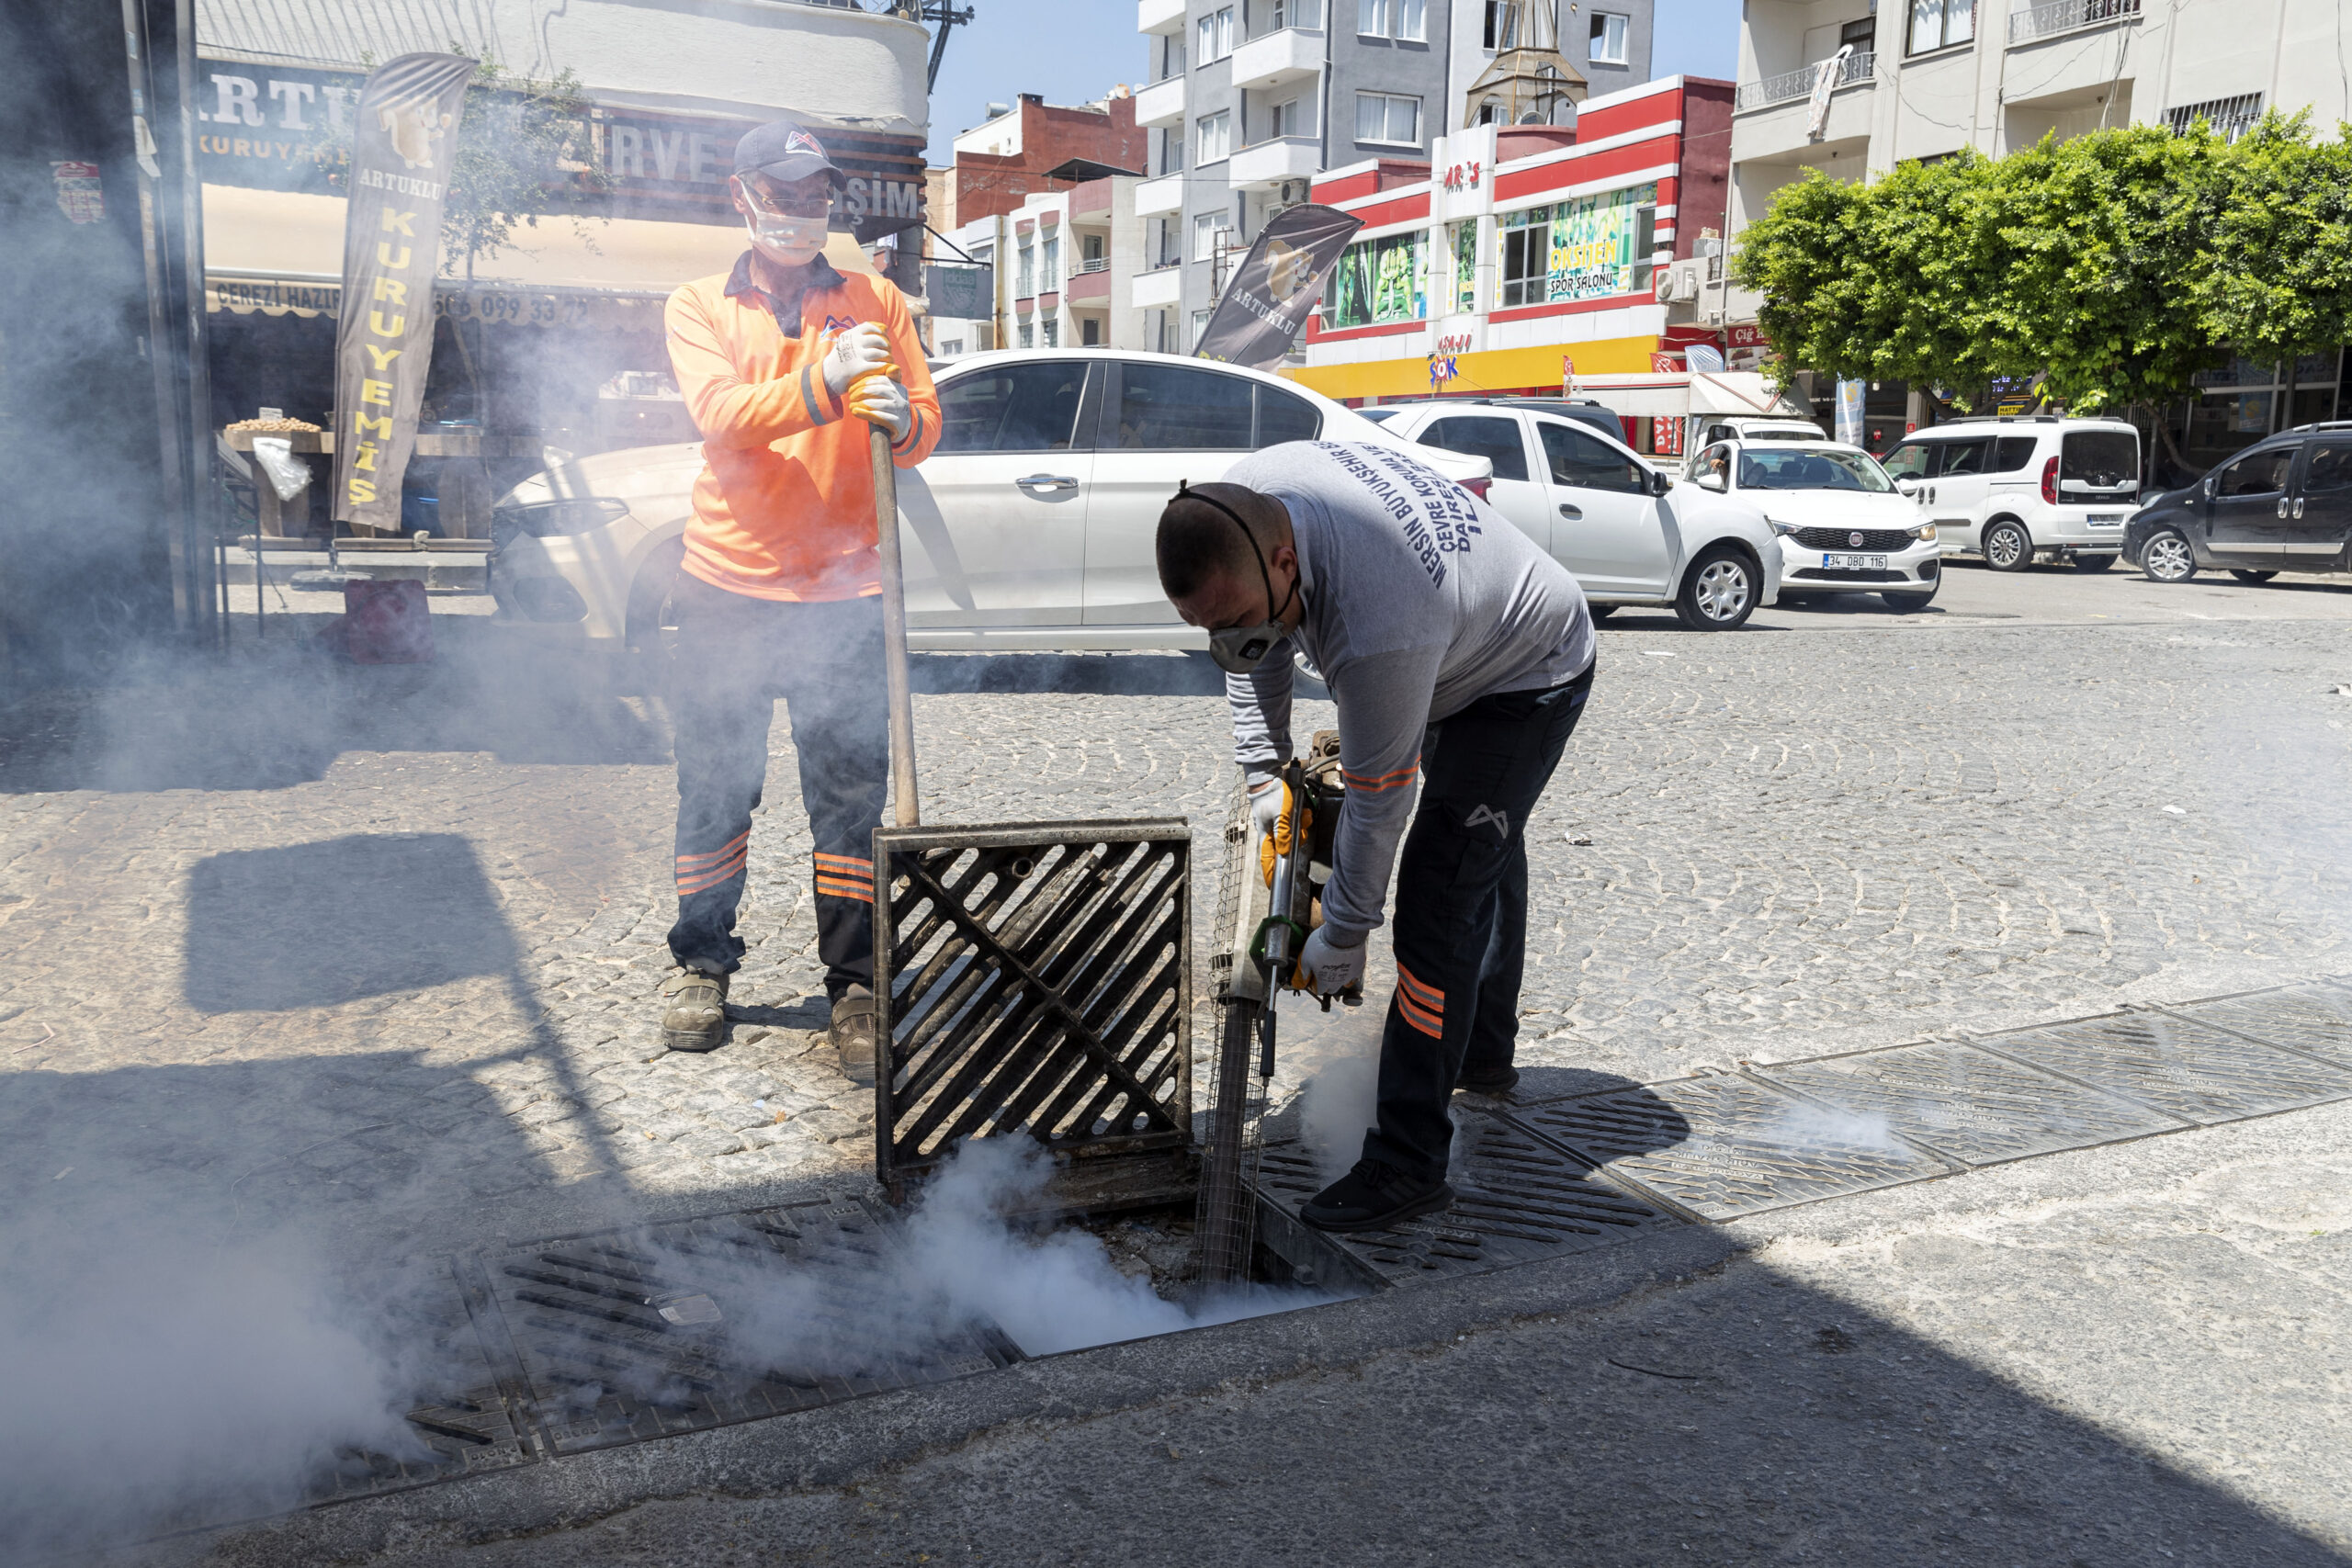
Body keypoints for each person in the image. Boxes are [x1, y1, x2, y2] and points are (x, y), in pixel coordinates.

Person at [1156, 441, 1596, 1232]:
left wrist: (1346, 932)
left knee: (1440, 887)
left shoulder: (1377, 625)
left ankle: (1409, 1161)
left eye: (1242, 622)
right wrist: (1264, 776)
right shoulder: (1241, 506)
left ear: (1286, 560)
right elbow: (1250, 647)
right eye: (1206, 630)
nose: (1229, 643)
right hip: (1457, 636)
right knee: (1481, 841)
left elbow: (1378, 799)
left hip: (1528, 672)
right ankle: (1482, 1052)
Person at [654, 118, 940, 1078]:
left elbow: (923, 419)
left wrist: (907, 422)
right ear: (741, 196)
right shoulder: (697, 304)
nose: (800, 210)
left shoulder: (877, 300)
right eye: (782, 193)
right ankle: (701, 964)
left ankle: (856, 989)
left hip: (846, 587)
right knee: (716, 786)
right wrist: (823, 382)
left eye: (814, 193)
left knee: (851, 805)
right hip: (728, 585)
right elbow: (722, 417)